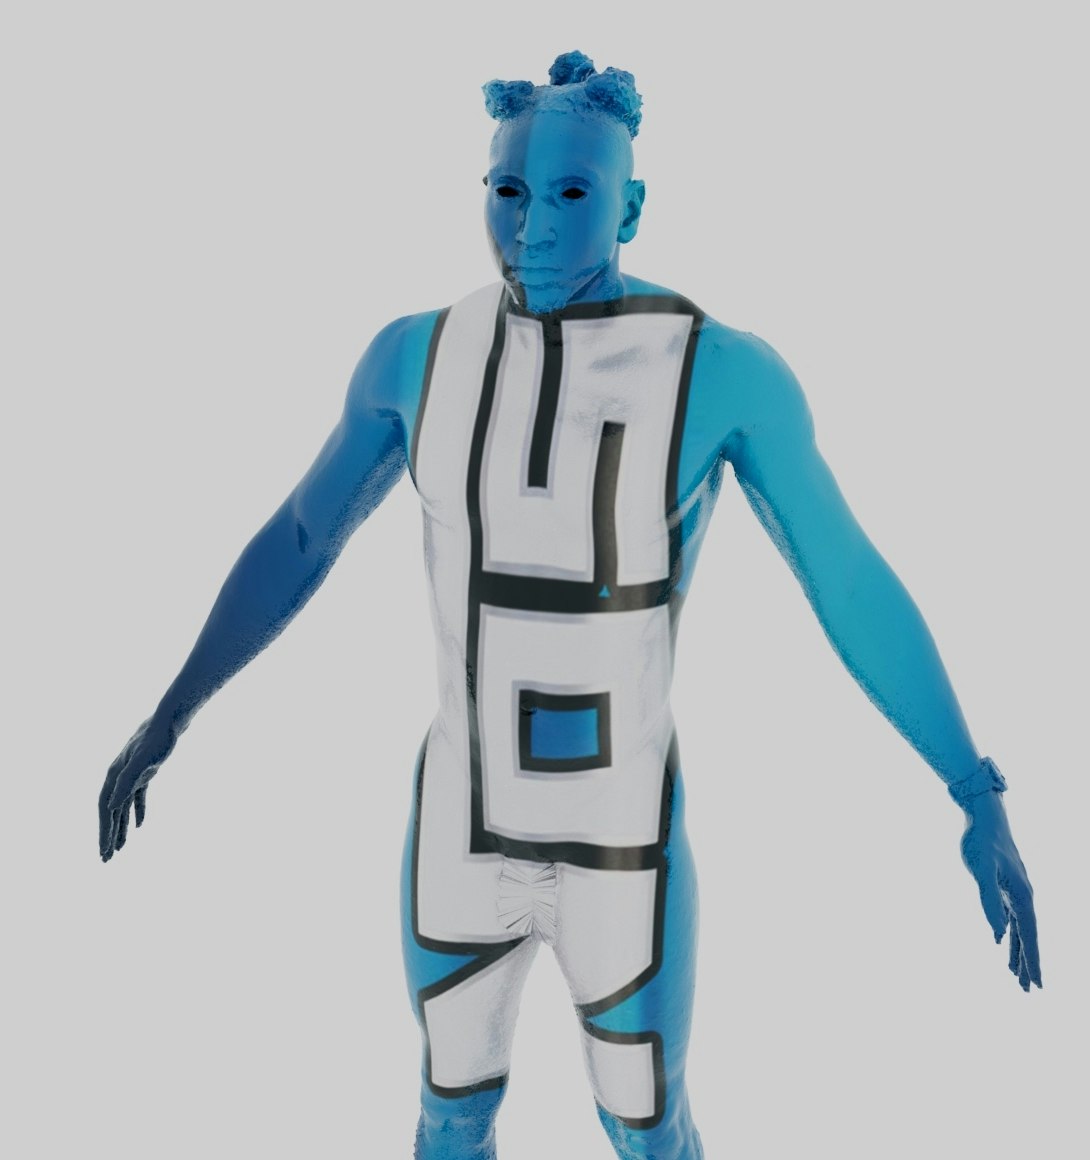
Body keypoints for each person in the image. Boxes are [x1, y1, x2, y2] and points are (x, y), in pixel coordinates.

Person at [98, 50, 1041, 1160]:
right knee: (449, 1115)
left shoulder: (719, 372)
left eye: (572, 193)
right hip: (460, 829)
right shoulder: (414, 359)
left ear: (631, 206)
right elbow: (304, 537)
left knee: (647, 1128)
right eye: (507, 191)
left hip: (621, 844)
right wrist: (171, 713)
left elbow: (844, 576)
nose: (532, 226)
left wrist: (971, 785)